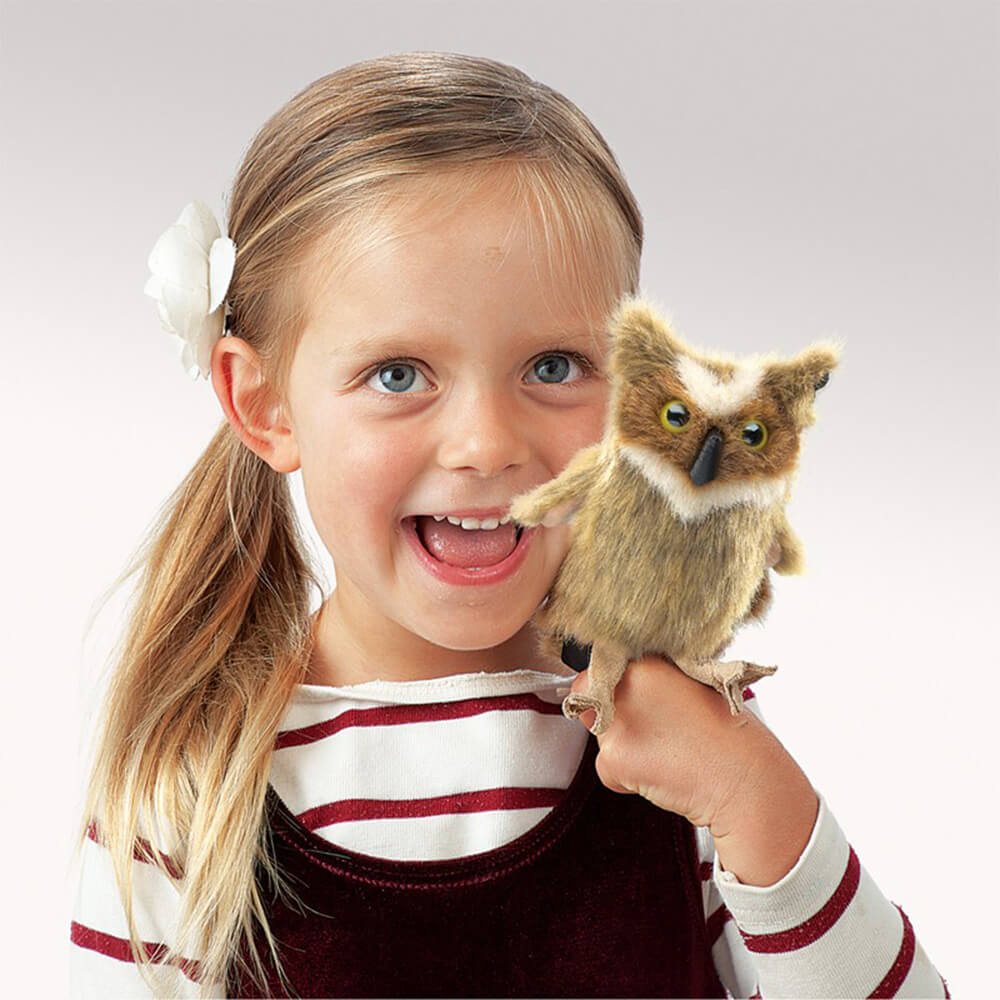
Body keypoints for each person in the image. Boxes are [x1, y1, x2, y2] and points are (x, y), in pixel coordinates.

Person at [68, 51, 948, 999]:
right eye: (399, 374)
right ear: (266, 406)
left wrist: (758, 799)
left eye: (556, 366)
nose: (487, 445)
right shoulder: (188, 790)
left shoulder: (686, 743)